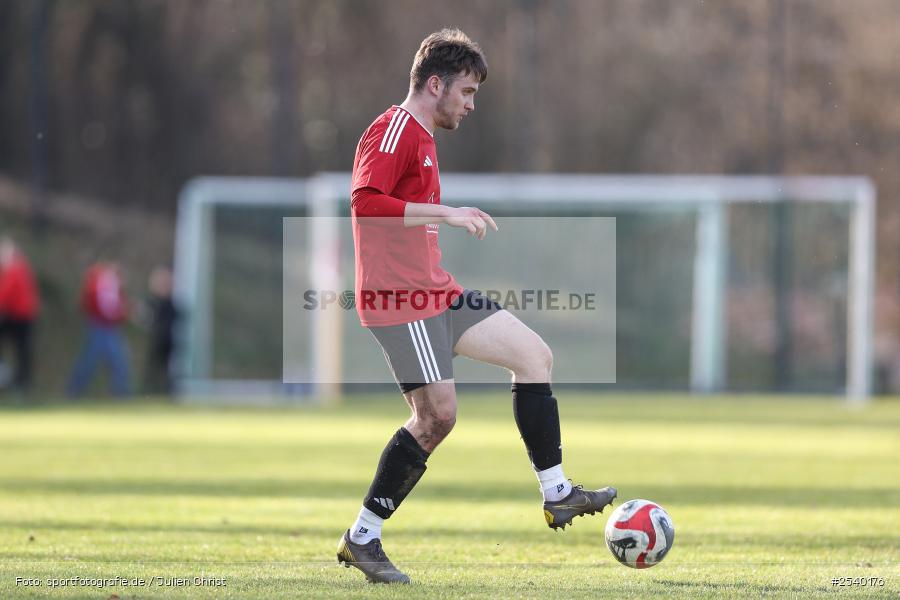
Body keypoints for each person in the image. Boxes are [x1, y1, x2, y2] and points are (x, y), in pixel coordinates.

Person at [336, 29, 616, 584]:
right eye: (466, 92)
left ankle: (557, 492)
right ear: (434, 85)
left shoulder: (422, 137)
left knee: (533, 355)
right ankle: (363, 537)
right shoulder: (395, 129)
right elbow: (365, 203)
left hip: (436, 290)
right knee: (437, 417)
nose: (470, 104)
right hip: (402, 299)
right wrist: (446, 213)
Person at [67, 261, 131, 397]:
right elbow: (107, 309)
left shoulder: (108, 286)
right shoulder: (105, 286)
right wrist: (120, 315)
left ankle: (120, 392)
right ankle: (74, 390)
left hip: (106, 327)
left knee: (112, 360)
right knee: (99, 360)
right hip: (101, 326)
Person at [0, 236, 40, 394]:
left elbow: (5, 294)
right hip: (20, 316)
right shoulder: (20, 267)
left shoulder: (15, 269)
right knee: (23, 351)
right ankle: (18, 382)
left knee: (23, 351)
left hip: (20, 316)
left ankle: (19, 383)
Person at [143, 266, 178, 395]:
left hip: (167, 341)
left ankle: (166, 391)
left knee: (165, 368)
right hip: (158, 340)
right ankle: (149, 391)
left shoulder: (170, 303)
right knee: (153, 367)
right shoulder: (155, 302)